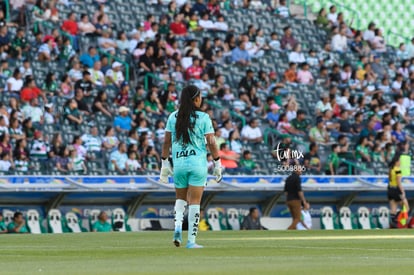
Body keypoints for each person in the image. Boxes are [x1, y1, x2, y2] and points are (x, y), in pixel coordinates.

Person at [160, 85, 222, 249]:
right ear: (196, 99)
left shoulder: (173, 117)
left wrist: (164, 163)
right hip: (198, 164)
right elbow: (212, 142)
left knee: (180, 199)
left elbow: (166, 142)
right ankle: (191, 241)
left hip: (179, 164)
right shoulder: (203, 117)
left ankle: (178, 228)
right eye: (200, 96)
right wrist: (217, 163)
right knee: (195, 202)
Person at [388, 154, 410, 227]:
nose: (400, 162)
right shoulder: (398, 170)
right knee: (406, 207)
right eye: (399, 161)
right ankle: (398, 219)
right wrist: (402, 191)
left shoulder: (391, 169)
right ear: (396, 162)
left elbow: (389, 179)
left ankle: (393, 224)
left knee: (393, 209)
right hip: (396, 190)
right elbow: (398, 182)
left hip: (390, 189)